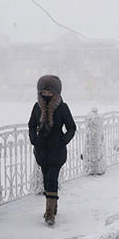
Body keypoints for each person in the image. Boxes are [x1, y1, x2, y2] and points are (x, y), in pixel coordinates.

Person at [28, 74, 76, 226]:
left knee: (52, 178)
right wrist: (34, 139)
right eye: (44, 92)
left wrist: (63, 141)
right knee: (45, 179)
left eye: (50, 92)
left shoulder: (62, 107)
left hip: (57, 150)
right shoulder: (37, 107)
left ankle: (49, 213)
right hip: (42, 150)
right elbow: (31, 125)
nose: (46, 94)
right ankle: (53, 205)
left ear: (56, 92)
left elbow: (71, 128)